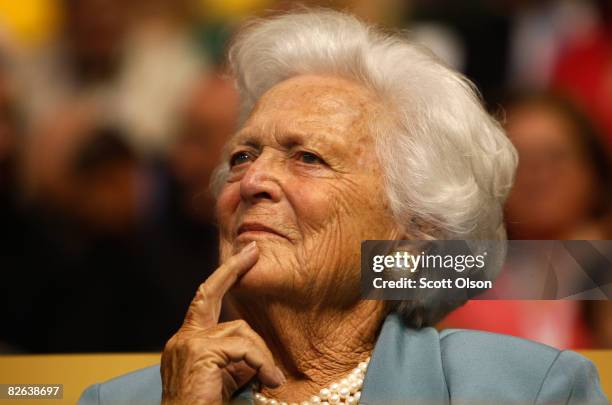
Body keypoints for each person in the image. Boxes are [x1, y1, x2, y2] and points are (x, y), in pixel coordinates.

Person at [79, 10, 608, 405]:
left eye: (307, 157)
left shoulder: (527, 391)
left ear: (413, 228)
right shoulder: (123, 402)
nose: (253, 180)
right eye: (241, 156)